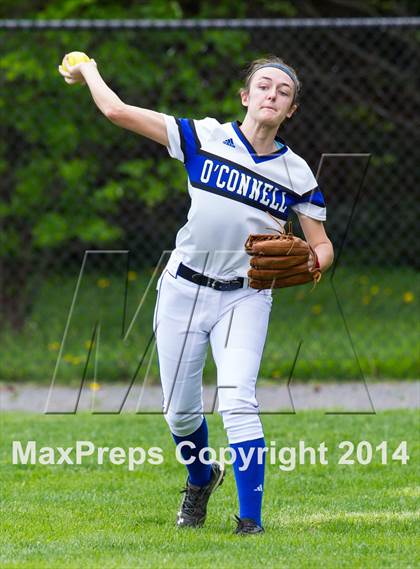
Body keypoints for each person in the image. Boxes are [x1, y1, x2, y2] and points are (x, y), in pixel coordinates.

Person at [59, 54, 334, 535]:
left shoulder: (296, 172)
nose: (272, 94)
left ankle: (250, 524)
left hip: (245, 295)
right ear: (245, 97)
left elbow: (322, 244)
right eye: (264, 86)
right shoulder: (204, 137)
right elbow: (118, 112)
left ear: (291, 110)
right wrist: (91, 71)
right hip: (183, 289)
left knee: (237, 402)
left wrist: (315, 261)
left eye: (283, 92)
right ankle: (201, 477)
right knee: (180, 412)